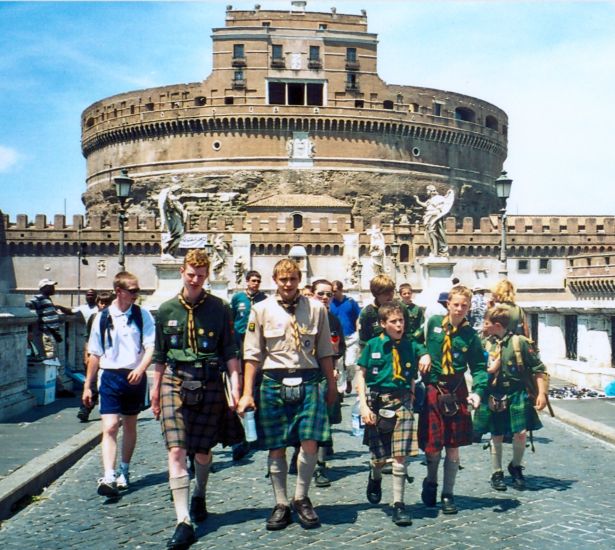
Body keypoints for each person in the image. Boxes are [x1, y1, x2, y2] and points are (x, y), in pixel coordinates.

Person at [151, 249, 244, 550]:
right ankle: (183, 522)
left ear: (207, 276)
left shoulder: (220, 308)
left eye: (201, 276)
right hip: (173, 380)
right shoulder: (165, 310)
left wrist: (237, 387)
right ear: (182, 271)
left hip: (209, 380)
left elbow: (230, 350)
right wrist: (154, 391)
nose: (195, 280)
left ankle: (200, 492)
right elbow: (160, 354)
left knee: (202, 451)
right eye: (191, 274)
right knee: (177, 449)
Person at [238, 259, 336, 531]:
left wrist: (332, 386)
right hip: (273, 380)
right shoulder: (260, 310)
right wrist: (247, 393)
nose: (288, 284)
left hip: (309, 378)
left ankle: (301, 497)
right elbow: (252, 355)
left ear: (299, 279)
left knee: (310, 442)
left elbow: (326, 350)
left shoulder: (317, 309)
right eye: (283, 280)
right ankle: (281, 503)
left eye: (292, 279)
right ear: (275, 280)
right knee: (276, 445)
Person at [82, 272, 155, 498]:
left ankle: (124, 469)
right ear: (119, 291)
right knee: (111, 426)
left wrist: (141, 369)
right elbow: (94, 353)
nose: (136, 294)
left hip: (134, 376)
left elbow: (151, 347)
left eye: (137, 290)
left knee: (130, 425)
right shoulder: (102, 317)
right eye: (132, 290)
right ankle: (109, 474)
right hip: (110, 376)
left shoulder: (143, 316)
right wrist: (87, 385)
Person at [357, 302, 429, 526]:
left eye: (401, 321)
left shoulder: (411, 344)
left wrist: (425, 357)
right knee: (380, 458)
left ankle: (399, 505)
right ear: (382, 324)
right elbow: (360, 374)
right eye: (394, 322)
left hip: (403, 401)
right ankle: (375, 475)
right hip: (378, 402)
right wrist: (363, 406)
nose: (399, 326)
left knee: (400, 456)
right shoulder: (372, 345)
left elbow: (424, 353)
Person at [418, 285, 487, 514]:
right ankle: (431, 480)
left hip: (456, 390)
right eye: (455, 304)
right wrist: (424, 353)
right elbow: (416, 340)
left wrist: (477, 390)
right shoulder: (433, 324)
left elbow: (478, 366)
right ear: (448, 304)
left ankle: (448, 494)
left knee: (454, 446)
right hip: (434, 390)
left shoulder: (470, 335)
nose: (459, 309)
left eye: (464, 306)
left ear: (469, 307)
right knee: (434, 446)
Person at [473, 306, 548, 491]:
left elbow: (539, 369)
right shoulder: (484, 343)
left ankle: (515, 466)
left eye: (486, 323)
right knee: (496, 434)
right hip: (493, 393)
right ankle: (496, 472)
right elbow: (476, 369)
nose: (484, 326)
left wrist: (542, 393)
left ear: (497, 325)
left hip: (516, 393)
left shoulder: (520, 342)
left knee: (520, 433)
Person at [310, 278, 346, 488]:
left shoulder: (334, 320)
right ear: (312, 294)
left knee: (323, 422)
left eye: (329, 294)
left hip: (325, 375)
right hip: (305, 374)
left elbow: (338, 347)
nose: (325, 298)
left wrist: (333, 366)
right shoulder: (303, 316)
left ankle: (320, 466)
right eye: (320, 293)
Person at [230, 270, 267, 461]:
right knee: (240, 387)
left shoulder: (264, 299)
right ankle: (241, 434)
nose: (256, 283)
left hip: (258, 345)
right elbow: (231, 320)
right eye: (253, 280)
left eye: (259, 280)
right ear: (247, 281)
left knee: (258, 388)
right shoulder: (238, 298)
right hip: (239, 344)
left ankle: (258, 431)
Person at [27, 278, 74, 397]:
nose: (54, 288)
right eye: (51, 286)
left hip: (52, 334)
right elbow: (28, 310)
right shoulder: (37, 299)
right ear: (43, 288)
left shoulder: (47, 300)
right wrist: (30, 330)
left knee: (53, 360)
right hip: (46, 334)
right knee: (51, 360)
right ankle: (59, 389)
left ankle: (57, 387)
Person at [77, 291, 113, 422]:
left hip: (108, 356)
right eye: (101, 302)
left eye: (106, 303)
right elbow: (88, 338)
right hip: (94, 354)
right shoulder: (93, 317)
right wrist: (86, 354)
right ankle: (84, 409)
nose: (103, 305)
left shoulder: (114, 317)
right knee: (91, 382)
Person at [358, 275, 413, 350]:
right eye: (386, 293)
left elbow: (408, 334)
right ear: (376, 294)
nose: (390, 296)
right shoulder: (367, 313)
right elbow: (364, 342)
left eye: (392, 292)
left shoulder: (401, 308)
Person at [330, 280, 361, 394]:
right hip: (336, 338)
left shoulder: (351, 302)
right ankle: (340, 389)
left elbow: (358, 316)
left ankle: (349, 380)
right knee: (339, 364)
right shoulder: (330, 302)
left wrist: (358, 331)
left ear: (341, 290)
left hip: (351, 336)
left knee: (350, 363)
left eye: (335, 291)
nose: (333, 293)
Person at [414, 185, 454, 257]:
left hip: (434, 217)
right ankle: (434, 251)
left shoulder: (439, 198)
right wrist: (417, 200)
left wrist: (449, 193)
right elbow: (425, 205)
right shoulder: (430, 200)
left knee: (433, 233)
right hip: (428, 217)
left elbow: (442, 206)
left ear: (431, 191)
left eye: (428, 190)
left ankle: (437, 252)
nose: (427, 192)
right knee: (429, 235)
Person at [159, 183, 188, 258]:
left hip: (178, 219)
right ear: (175, 191)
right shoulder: (170, 198)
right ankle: (166, 249)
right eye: (179, 191)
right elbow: (166, 206)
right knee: (176, 235)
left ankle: (172, 252)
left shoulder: (176, 200)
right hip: (174, 219)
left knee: (180, 235)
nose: (180, 193)